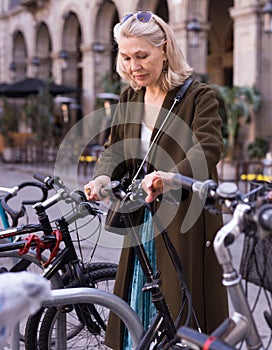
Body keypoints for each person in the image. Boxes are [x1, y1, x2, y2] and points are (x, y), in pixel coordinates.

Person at [84, 10, 228, 349]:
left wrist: (171, 176)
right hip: (142, 217)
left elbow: (208, 149)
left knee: (183, 307)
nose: (134, 65)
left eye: (142, 55)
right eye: (127, 56)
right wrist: (101, 178)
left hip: (184, 222)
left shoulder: (198, 96)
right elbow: (115, 149)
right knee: (141, 299)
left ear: (164, 50)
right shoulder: (130, 98)